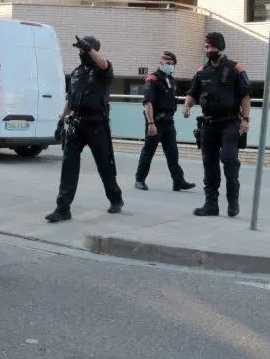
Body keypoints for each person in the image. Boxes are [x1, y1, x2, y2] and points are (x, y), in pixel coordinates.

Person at [45, 35, 124, 223]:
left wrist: (90, 49)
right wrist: (61, 119)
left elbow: (103, 64)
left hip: (97, 125)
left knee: (105, 166)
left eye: (84, 50)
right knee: (69, 167)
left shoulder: (102, 70)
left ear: (92, 50)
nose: (81, 53)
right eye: (80, 50)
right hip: (77, 124)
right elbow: (71, 99)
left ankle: (115, 199)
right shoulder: (77, 73)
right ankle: (63, 208)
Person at [182, 32, 251, 217]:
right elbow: (192, 93)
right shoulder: (201, 72)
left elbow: (245, 96)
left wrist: (245, 119)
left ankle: (233, 202)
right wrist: (187, 106)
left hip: (230, 123)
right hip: (209, 125)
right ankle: (211, 205)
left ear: (219, 47)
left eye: (210, 47)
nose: (208, 50)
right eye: (206, 47)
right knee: (209, 164)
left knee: (229, 159)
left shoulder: (236, 69)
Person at [135, 51, 196, 193]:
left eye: (172, 64)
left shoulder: (171, 80)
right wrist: (151, 123)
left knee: (173, 153)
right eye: (168, 63)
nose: (170, 66)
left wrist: (186, 109)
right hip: (155, 122)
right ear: (161, 63)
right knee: (148, 151)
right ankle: (139, 180)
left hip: (169, 122)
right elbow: (148, 102)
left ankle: (178, 181)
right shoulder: (153, 79)